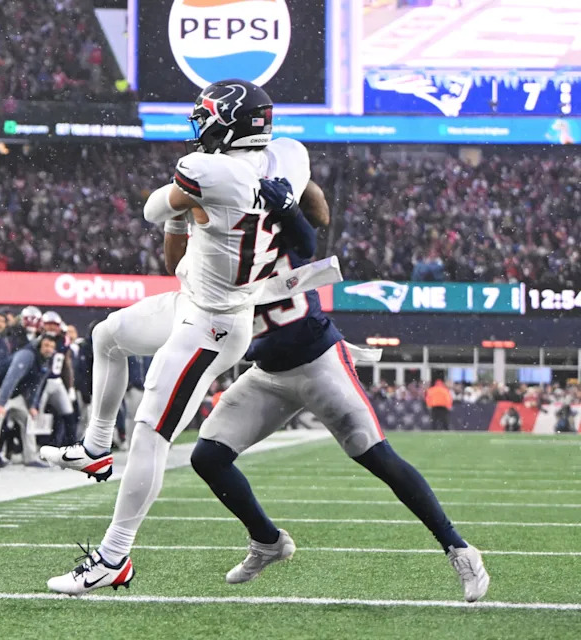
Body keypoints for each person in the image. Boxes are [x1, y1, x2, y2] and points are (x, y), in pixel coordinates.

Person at [42, 80, 311, 594]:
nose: (198, 126)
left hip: (211, 322)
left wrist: (183, 209)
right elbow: (294, 210)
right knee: (109, 334)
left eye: (204, 116)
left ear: (227, 121)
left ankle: (114, 556)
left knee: (150, 433)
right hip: (199, 301)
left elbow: (151, 210)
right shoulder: (289, 157)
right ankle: (96, 447)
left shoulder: (209, 171)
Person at [189, 180, 489, 602]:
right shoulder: (209, 257)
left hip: (318, 361)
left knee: (377, 456)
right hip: (268, 371)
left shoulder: (264, 234)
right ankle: (267, 541)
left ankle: (459, 548)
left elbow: (308, 236)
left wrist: (288, 201)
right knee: (208, 456)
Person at [0, 334, 57, 469]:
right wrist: (0, 403)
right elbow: (11, 379)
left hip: (15, 392)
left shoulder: (46, 361)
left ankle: (30, 457)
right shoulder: (27, 355)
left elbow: (36, 385)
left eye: (51, 346)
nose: (48, 349)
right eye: (46, 345)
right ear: (39, 345)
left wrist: (33, 405)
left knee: (28, 419)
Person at [38, 311, 78, 448]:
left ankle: (72, 445)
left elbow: (67, 365)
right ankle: (38, 447)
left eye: (54, 325)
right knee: (37, 415)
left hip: (56, 381)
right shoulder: (38, 339)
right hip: (40, 383)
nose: (51, 328)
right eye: (48, 324)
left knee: (68, 413)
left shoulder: (63, 340)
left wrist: (70, 386)